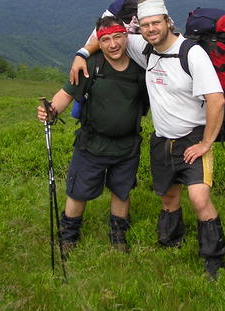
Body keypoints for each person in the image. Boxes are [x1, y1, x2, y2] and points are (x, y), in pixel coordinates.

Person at [70, 0, 225, 279]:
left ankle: (214, 259)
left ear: (168, 21)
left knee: (198, 198)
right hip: (161, 138)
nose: (151, 29)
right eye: (145, 25)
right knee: (168, 196)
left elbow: (216, 100)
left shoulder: (191, 53)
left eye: (156, 22)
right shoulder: (143, 47)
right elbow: (105, 37)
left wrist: (206, 142)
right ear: (139, 28)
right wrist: (81, 55)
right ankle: (171, 241)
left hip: (192, 137)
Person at [37, 16, 146, 253]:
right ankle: (68, 236)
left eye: (117, 37)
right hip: (92, 143)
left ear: (126, 36)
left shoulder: (140, 68)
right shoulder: (91, 66)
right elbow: (66, 94)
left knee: (121, 191)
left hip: (127, 145)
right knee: (78, 191)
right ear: (98, 42)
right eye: (105, 40)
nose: (113, 44)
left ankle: (118, 236)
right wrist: (51, 111)